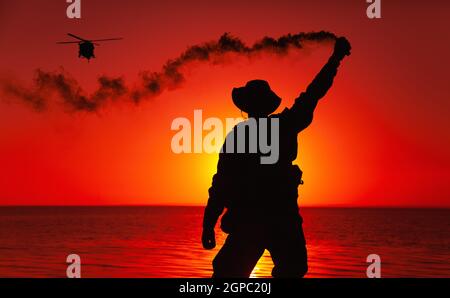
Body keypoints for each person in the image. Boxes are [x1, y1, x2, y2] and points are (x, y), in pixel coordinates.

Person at [202, 37, 351, 278]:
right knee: (288, 270)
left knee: (229, 275)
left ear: (246, 108)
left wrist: (208, 223)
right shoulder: (285, 125)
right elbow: (314, 92)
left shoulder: (239, 135)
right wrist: (335, 60)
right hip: (280, 219)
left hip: (253, 220)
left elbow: (221, 185)